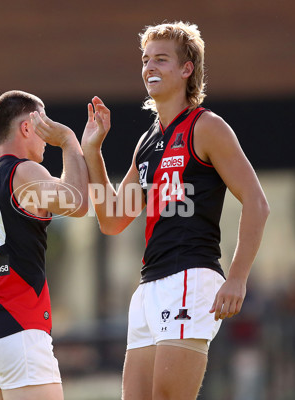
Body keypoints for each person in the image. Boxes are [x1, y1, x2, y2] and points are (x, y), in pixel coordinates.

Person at [81, 22, 270, 399]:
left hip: (190, 277)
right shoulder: (147, 140)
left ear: (187, 69)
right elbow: (113, 219)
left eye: (161, 59)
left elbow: (257, 203)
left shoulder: (207, 126)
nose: (150, 67)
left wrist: (237, 277)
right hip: (149, 285)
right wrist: (92, 152)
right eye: (146, 60)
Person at [0, 90, 102, 400]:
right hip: (19, 331)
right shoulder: (24, 171)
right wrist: (67, 140)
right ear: (27, 127)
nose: (45, 138)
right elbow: (77, 202)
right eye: (43, 124)